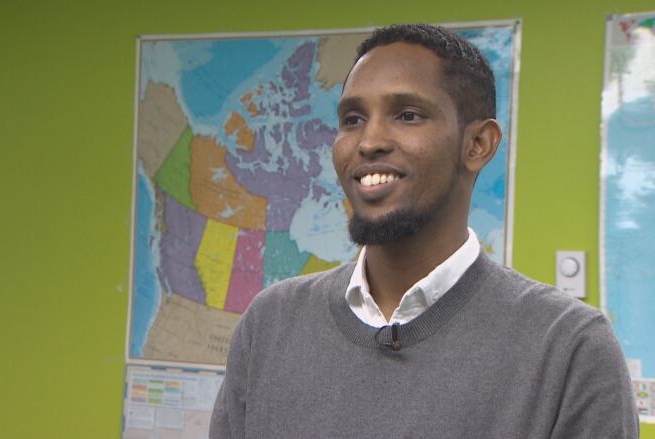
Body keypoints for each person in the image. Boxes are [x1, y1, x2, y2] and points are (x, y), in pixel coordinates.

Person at [209, 23, 638, 438]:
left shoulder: (568, 348)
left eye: (407, 115)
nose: (369, 140)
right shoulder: (270, 324)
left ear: (477, 145)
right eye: (353, 118)